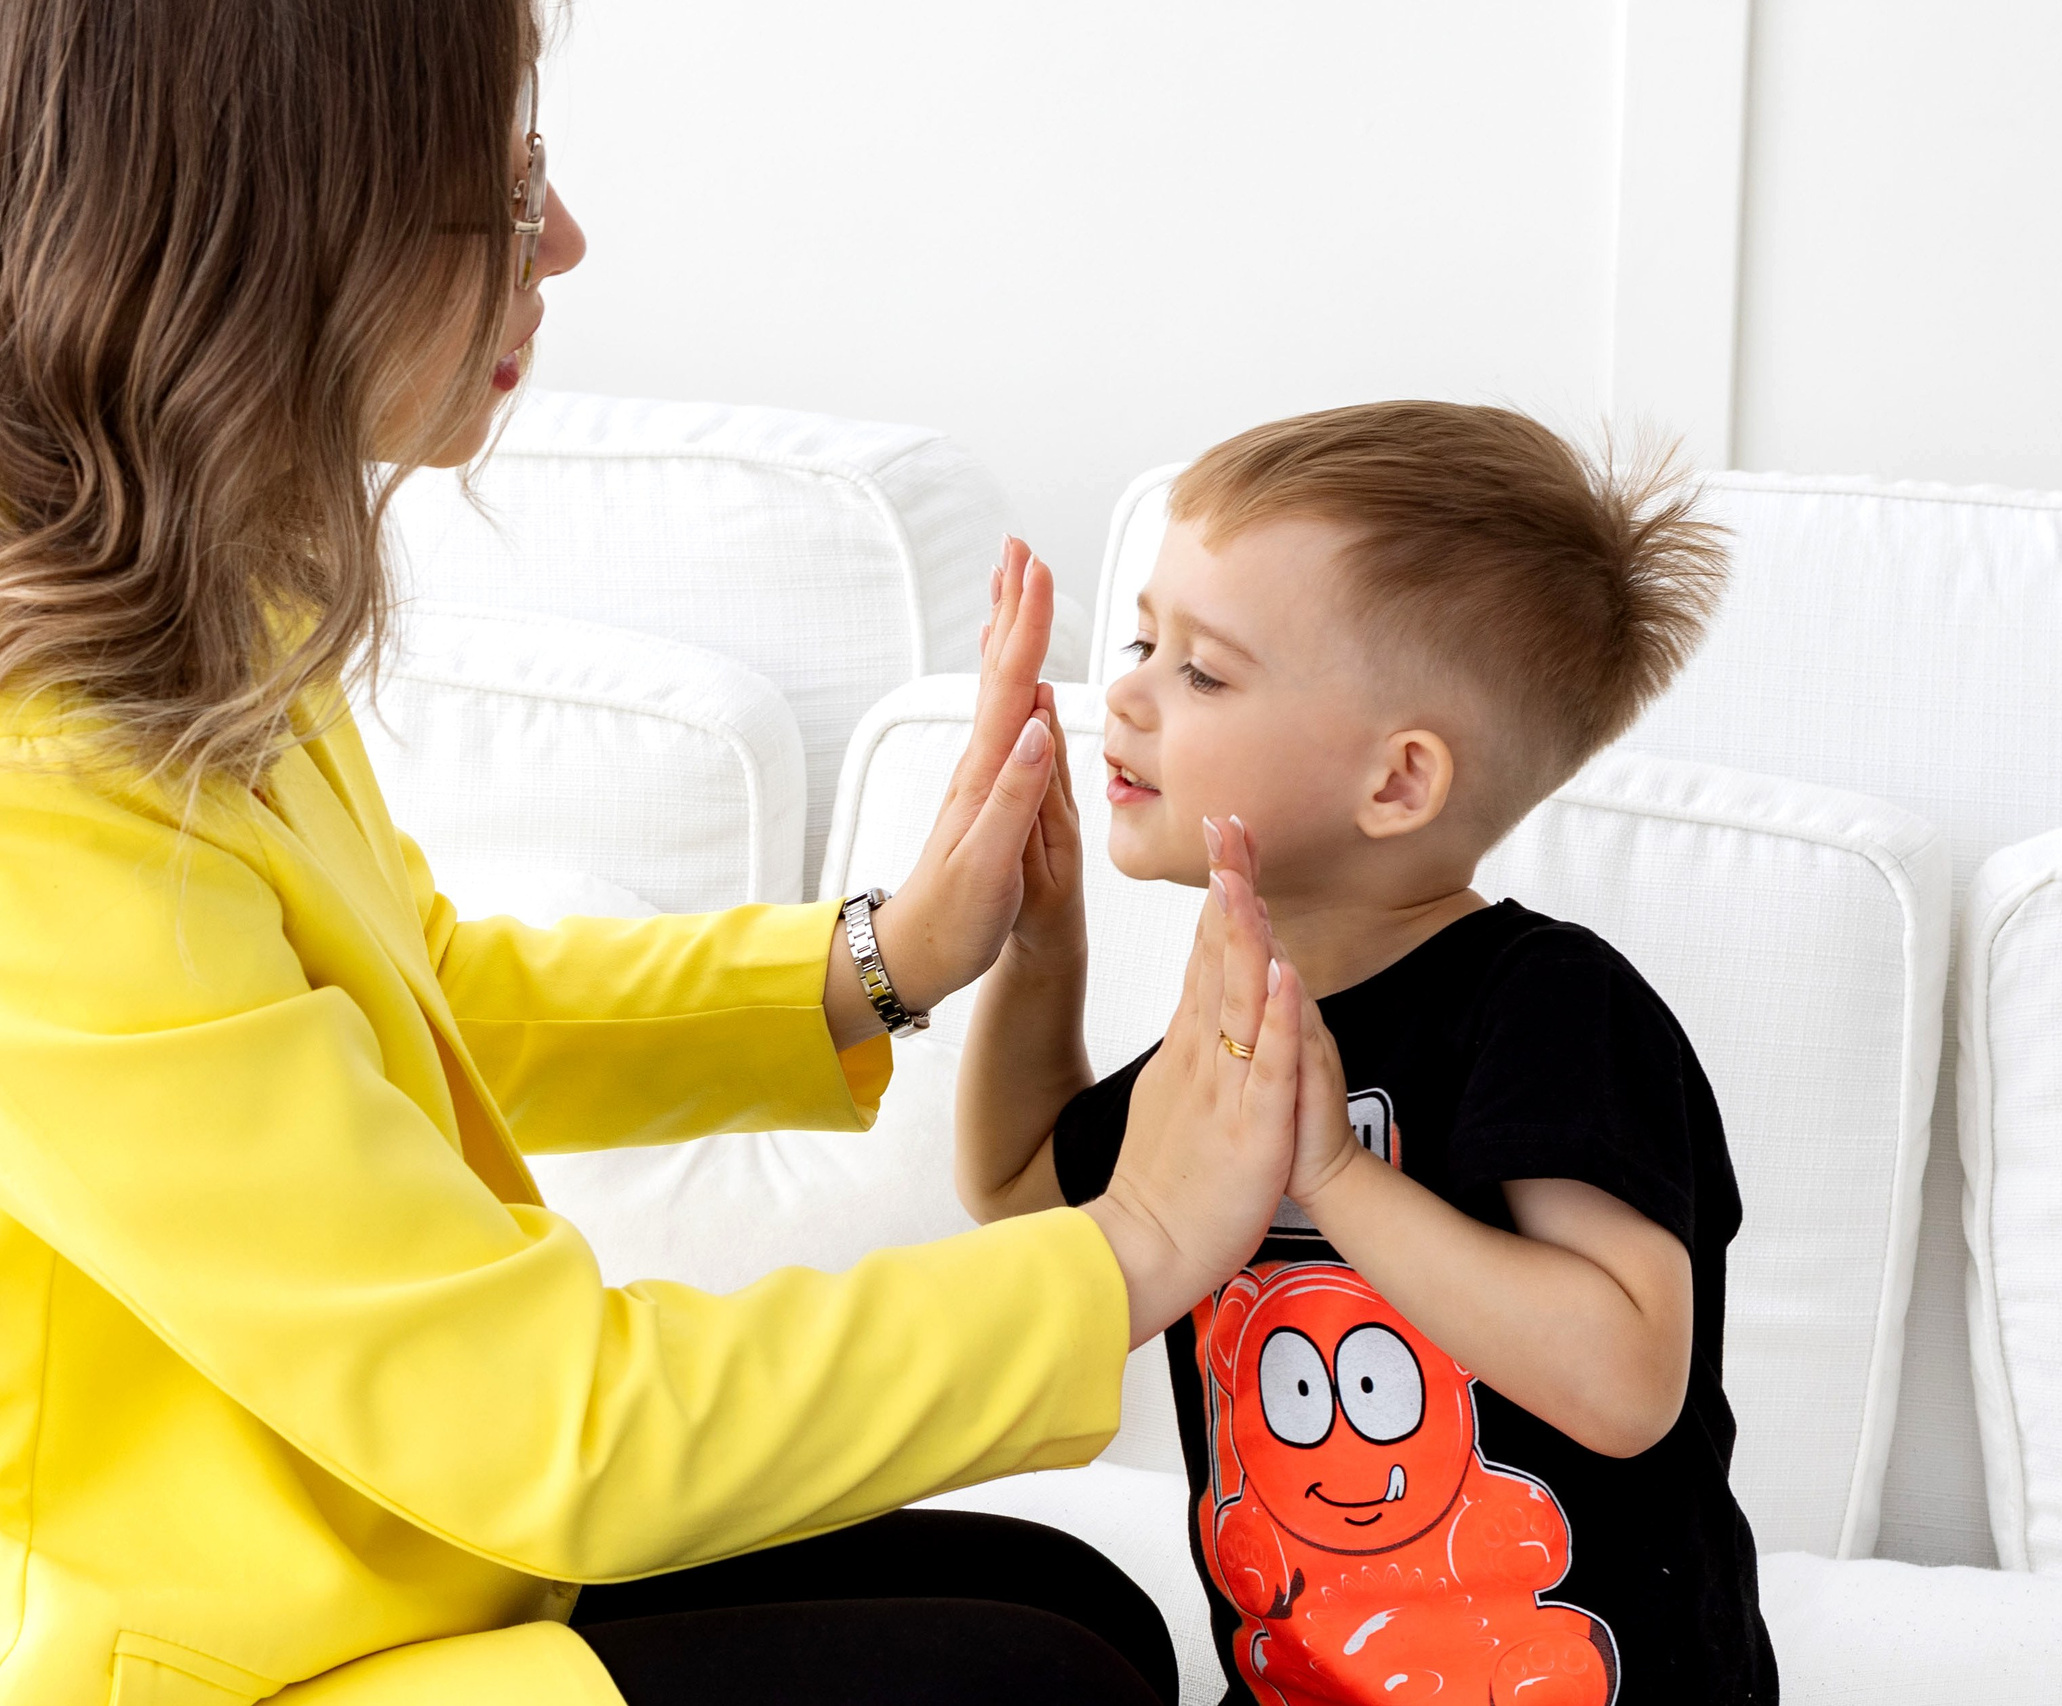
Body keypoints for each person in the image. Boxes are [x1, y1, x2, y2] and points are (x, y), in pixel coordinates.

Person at [0, 4, 1318, 1703]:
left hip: (447, 1564)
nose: (561, 237)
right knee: (1039, 1679)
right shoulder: (47, 812)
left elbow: (445, 999)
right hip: (276, 1664)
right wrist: (1132, 1248)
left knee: (1089, 1618)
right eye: (501, 183)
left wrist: (888, 953)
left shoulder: (195, 604)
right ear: (284, 225)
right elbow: (558, 1419)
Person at [955, 401, 1783, 1704]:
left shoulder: (1549, 1007)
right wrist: (1042, 945)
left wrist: (1337, 1172)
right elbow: (1017, 1192)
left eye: (1202, 670)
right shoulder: (1236, 1027)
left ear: (1397, 783)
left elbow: (1626, 1377)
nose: (1123, 692)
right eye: (1141, 639)